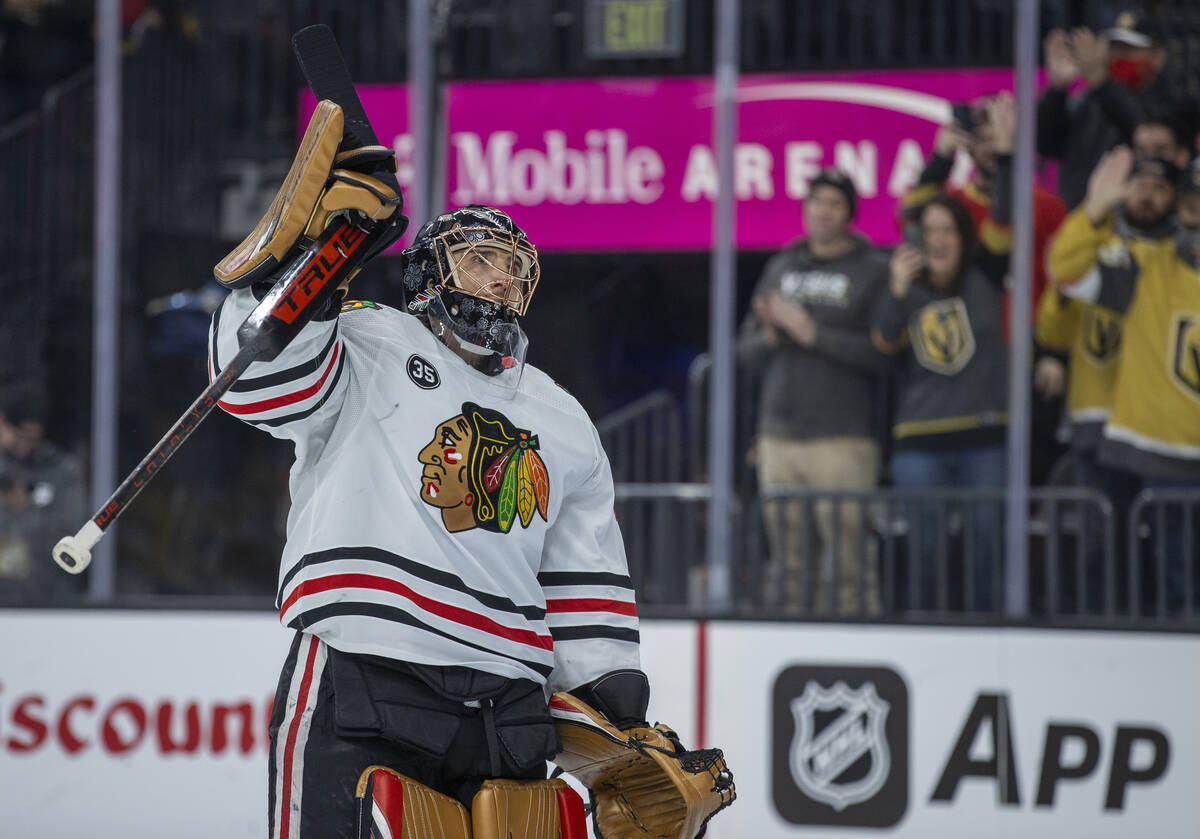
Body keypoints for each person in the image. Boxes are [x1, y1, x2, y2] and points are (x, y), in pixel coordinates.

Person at [210, 203, 656, 837]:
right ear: (427, 271)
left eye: (512, 265)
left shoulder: (562, 416)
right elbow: (253, 383)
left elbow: (584, 575)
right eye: (481, 261)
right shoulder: (366, 337)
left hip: (508, 711)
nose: (502, 278)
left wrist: (615, 713)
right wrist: (314, 264)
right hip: (367, 667)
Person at [1051, 147, 1200, 615]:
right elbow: (1067, 273)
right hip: (1168, 454)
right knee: (1177, 583)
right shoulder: (1144, 264)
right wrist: (1094, 210)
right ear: (1188, 207)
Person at [737, 168, 889, 616]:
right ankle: (786, 647)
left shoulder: (873, 270)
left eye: (834, 203)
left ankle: (858, 648)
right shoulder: (782, 267)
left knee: (849, 561)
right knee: (787, 561)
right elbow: (745, 352)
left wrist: (810, 332)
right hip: (779, 436)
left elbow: (885, 356)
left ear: (850, 215)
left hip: (843, 437)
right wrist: (770, 334)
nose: (822, 211)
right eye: (815, 201)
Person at [873, 192, 1011, 614]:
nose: (938, 239)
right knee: (924, 550)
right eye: (929, 230)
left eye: (947, 230)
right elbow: (883, 345)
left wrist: (1005, 156)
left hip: (983, 435)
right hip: (920, 439)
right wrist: (896, 290)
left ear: (964, 238)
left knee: (988, 543)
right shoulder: (904, 288)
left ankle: (990, 630)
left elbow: (1004, 222)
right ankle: (926, 630)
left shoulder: (984, 274)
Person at [1037, 11, 1194, 209]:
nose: (1120, 57)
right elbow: (1046, 146)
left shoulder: (1174, 102)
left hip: (1138, 223)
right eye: (1115, 49)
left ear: (1158, 56)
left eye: (1130, 50)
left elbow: (1140, 129)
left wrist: (1102, 82)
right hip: (1078, 219)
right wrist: (1057, 90)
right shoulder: (1089, 100)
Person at [0, 379, 86, 602]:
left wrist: (24, 510)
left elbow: (70, 539)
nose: (25, 447)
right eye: (19, 437)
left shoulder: (59, 472)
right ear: (2, 422)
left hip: (45, 599)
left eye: (32, 439)